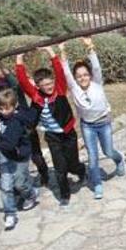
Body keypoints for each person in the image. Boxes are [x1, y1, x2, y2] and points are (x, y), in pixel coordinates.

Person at [16, 48, 86, 207]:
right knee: (60, 168)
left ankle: (81, 171)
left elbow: (59, 72)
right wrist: (19, 59)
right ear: (38, 86)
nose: (49, 86)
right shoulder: (36, 96)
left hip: (68, 135)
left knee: (72, 164)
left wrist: (51, 52)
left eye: (50, 83)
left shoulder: (60, 90)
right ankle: (65, 195)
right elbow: (23, 81)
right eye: (45, 85)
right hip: (53, 138)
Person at [60, 38, 126, 199]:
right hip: (88, 126)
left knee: (108, 151)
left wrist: (90, 47)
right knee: (93, 157)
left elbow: (96, 66)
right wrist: (62, 50)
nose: (82, 78)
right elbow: (66, 71)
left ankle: (119, 160)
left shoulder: (97, 83)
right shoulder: (74, 88)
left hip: (103, 122)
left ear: (90, 75)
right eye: (79, 76)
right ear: (75, 78)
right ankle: (97, 184)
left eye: (85, 75)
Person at [0, 63, 39, 231]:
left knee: (20, 183)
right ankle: (10, 214)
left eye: (7, 108)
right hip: (5, 155)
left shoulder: (17, 119)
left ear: (14, 106)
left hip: (19, 156)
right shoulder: (1, 109)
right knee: (6, 187)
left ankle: (31, 194)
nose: (4, 111)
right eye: (1, 108)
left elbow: (10, 143)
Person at [0, 61, 49, 186]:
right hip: (12, 138)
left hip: (27, 133)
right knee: (17, 162)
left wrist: (1, 66)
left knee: (36, 156)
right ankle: (21, 183)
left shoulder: (17, 97)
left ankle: (44, 174)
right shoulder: (0, 103)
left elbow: (14, 82)